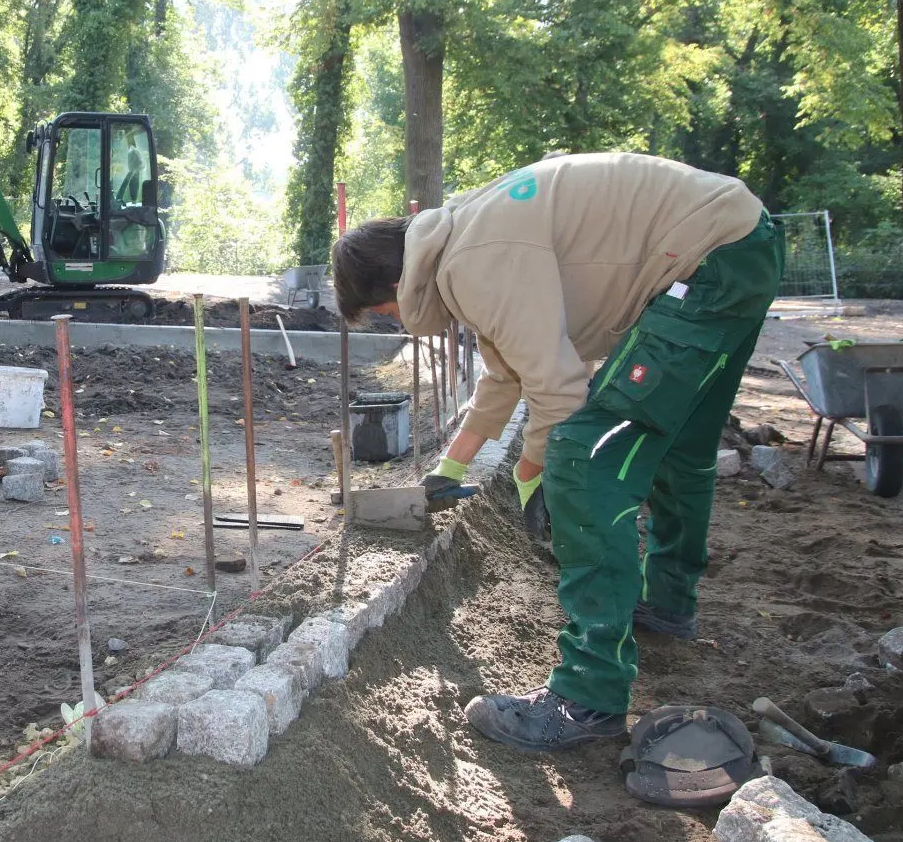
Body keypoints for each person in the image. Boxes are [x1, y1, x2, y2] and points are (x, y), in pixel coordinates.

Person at [330, 152, 784, 753]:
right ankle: (669, 603)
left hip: (705, 263)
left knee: (581, 454)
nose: (397, 324)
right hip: (738, 243)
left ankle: (587, 697)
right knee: (681, 445)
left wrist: (534, 476)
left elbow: (559, 391)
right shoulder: (464, 237)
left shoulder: (472, 261)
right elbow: (506, 374)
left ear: (395, 285)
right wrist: (449, 470)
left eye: (386, 315)